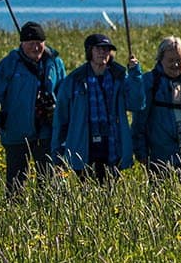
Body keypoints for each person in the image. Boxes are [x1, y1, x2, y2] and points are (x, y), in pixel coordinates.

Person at [0, 21, 64, 196]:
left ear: (44, 42)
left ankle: (49, 213)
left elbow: (64, 94)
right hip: (16, 131)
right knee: (16, 181)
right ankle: (13, 212)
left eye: (39, 43)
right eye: (30, 43)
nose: (35, 47)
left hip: (47, 131)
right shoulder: (10, 63)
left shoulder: (55, 63)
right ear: (22, 43)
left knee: (49, 179)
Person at [52, 32, 143, 183]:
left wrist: (135, 74)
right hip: (83, 145)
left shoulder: (119, 77)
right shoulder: (74, 80)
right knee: (86, 190)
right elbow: (61, 117)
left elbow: (137, 103)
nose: (103, 52)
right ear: (89, 51)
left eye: (106, 49)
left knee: (110, 192)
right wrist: (58, 151)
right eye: (98, 49)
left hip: (112, 145)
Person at [131, 36, 181, 176]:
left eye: (179, 60)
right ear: (160, 60)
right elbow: (139, 122)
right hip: (161, 157)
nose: (175, 65)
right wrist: (141, 152)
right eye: (170, 61)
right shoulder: (149, 82)